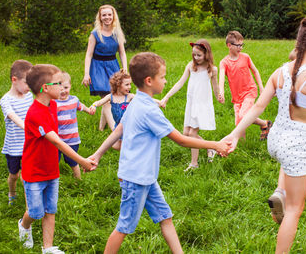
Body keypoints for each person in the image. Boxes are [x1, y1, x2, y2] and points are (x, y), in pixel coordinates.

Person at [222, 18, 306, 254]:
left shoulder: (280, 71)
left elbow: (258, 107)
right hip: (296, 146)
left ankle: (280, 191)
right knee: (294, 210)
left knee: (286, 163)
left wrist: (234, 134)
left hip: (275, 140)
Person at [89, 52, 230, 254]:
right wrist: (215, 145)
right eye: (162, 77)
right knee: (123, 228)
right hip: (136, 179)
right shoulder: (149, 109)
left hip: (146, 177)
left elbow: (120, 128)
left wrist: (98, 154)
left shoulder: (135, 101)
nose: (165, 81)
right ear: (149, 81)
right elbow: (180, 139)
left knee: (165, 216)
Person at [17, 64, 96, 253]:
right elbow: (58, 142)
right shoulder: (36, 113)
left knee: (50, 210)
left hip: (52, 169)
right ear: (45, 88)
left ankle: (48, 247)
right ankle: (24, 225)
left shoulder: (52, 105)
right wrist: (82, 160)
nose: (63, 87)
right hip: (34, 171)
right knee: (35, 212)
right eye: (59, 83)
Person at [159, 39, 220, 170]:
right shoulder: (191, 66)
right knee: (186, 133)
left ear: (206, 54)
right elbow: (179, 83)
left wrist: (219, 96)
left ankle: (194, 163)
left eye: (199, 55)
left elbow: (215, 87)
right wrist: (166, 97)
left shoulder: (212, 70)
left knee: (192, 133)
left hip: (202, 104)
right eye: (194, 55)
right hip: (192, 103)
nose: (196, 57)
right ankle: (211, 147)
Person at [218, 30, 271, 140]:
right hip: (237, 96)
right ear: (229, 45)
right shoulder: (224, 62)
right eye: (238, 45)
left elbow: (255, 71)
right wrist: (221, 92)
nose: (241, 48)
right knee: (238, 123)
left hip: (249, 91)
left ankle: (263, 123)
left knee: (243, 116)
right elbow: (221, 78)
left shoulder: (245, 57)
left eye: (242, 45)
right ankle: (243, 145)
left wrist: (261, 88)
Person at [82, 4, 127, 132]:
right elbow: (88, 55)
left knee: (111, 96)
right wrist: (86, 74)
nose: (107, 17)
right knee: (106, 99)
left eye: (109, 14)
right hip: (98, 67)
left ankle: (101, 129)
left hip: (113, 66)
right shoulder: (95, 34)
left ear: (113, 16)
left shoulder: (117, 33)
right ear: (100, 17)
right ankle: (115, 130)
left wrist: (125, 68)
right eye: (104, 15)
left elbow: (122, 53)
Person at [0, 60, 33, 205]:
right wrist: (28, 128)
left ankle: (29, 209)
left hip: (29, 144)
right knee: (14, 175)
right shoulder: (5, 100)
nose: (29, 87)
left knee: (25, 176)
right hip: (13, 146)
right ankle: (12, 192)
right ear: (14, 80)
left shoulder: (29, 96)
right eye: (27, 83)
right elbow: (13, 116)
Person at [56, 72, 94, 179]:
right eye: (59, 88)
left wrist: (88, 110)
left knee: (73, 161)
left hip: (72, 139)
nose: (63, 90)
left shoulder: (74, 100)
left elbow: (80, 106)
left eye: (66, 87)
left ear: (70, 86)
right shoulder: (53, 102)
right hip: (57, 140)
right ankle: (53, 181)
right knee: (54, 163)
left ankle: (78, 180)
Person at [90, 69, 134, 150]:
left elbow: (143, 99)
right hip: (117, 125)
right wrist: (94, 105)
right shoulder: (111, 97)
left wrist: (159, 102)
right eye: (127, 84)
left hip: (128, 126)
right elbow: (100, 102)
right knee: (116, 146)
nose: (130, 87)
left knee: (128, 146)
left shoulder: (129, 96)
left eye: (130, 84)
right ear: (118, 85)